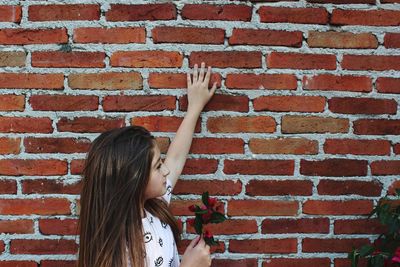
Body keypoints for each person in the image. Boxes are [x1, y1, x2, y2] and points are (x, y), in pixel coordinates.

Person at [77, 62, 218, 267]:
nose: (166, 170)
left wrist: (194, 108)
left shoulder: (154, 206)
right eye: (157, 166)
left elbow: (176, 158)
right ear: (135, 180)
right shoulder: (121, 251)